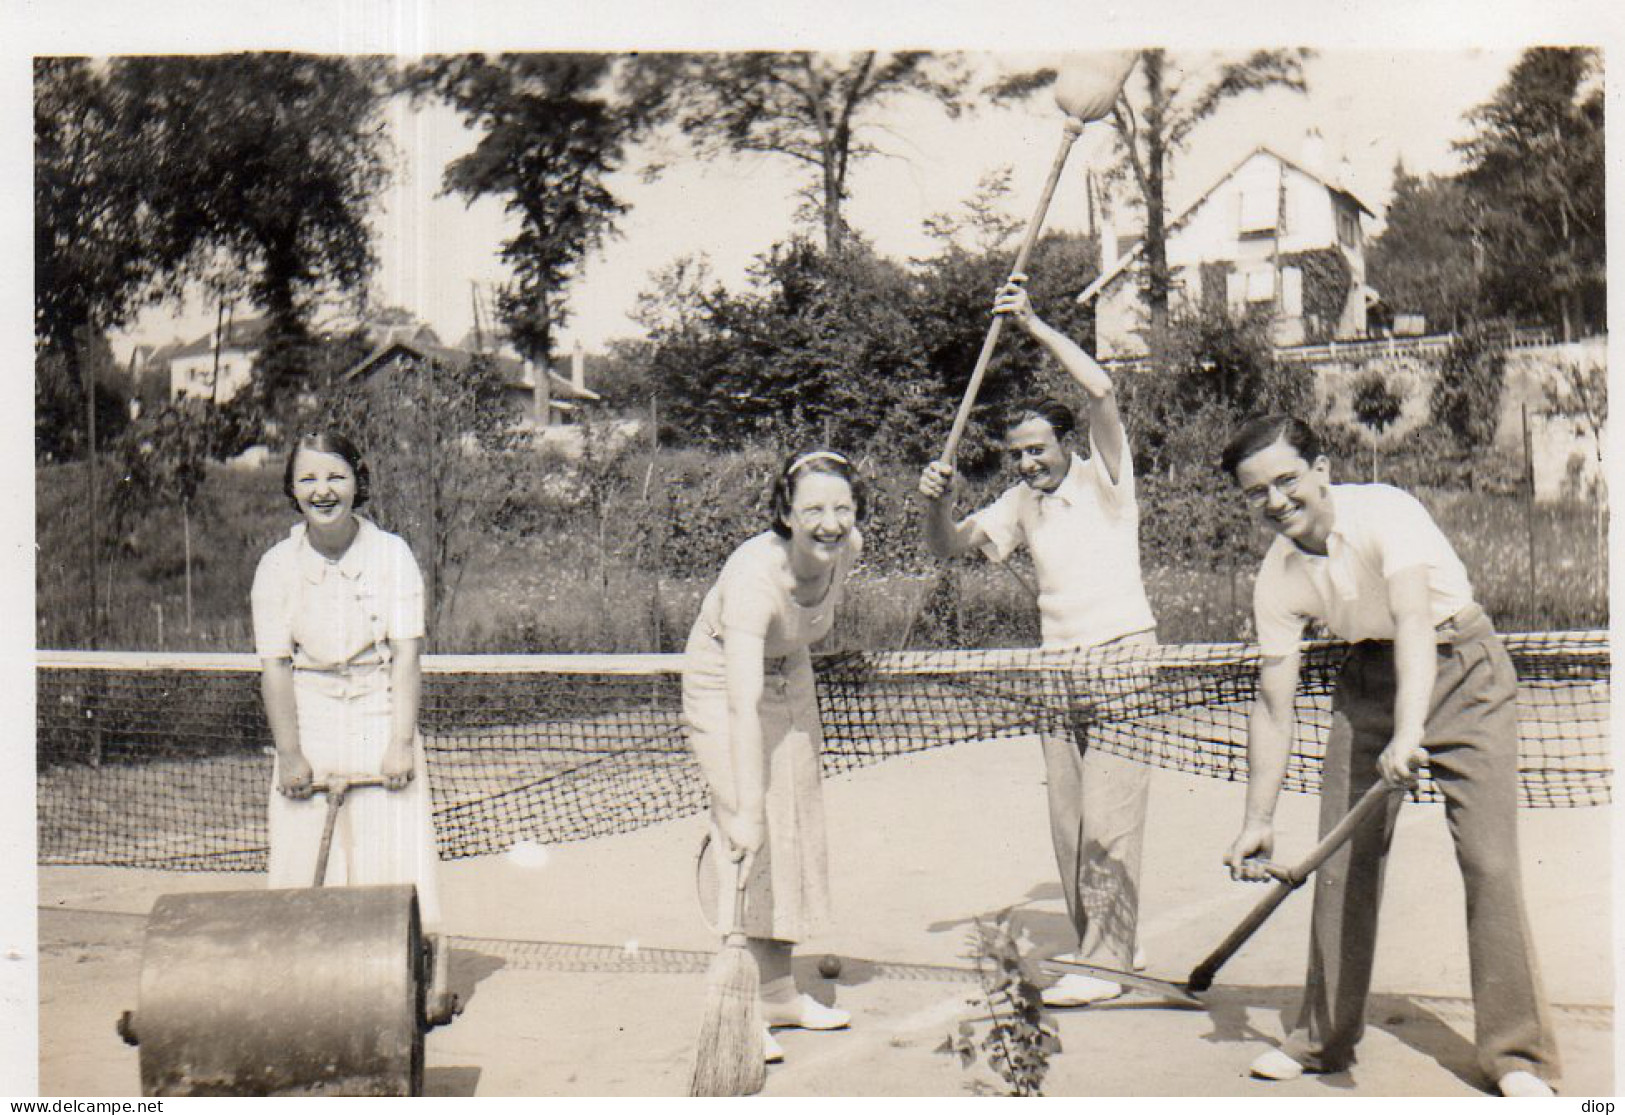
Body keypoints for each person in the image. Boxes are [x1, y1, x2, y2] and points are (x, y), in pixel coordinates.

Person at [1218, 414, 1557, 1098]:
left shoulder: (1387, 513)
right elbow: (1272, 704)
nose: (1277, 501)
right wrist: (1256, 817)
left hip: (1462, 666)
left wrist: (1409, 732)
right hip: (1367, 680)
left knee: (1488, 861)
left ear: (1321, 469)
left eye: (1287, 480)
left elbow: (1410, 619)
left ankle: (1516, 1056)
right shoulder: (1276, 577)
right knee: (1340, 862)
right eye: (1257, 492)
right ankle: (1320, 1040)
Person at [917, 279, 1157, 1007]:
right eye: (1017, 453)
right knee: (1069, 819)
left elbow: (1101, 388)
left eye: (1037, 449)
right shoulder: (1021, 502)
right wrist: (939, 503)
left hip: (1120, 654)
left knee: (1112, 818)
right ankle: (1104, 944)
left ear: (1064, 445)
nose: (1026, 463)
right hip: (1056, 667)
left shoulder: (1105, 479)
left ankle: (1105, 961)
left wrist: (1032, 323)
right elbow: (949, 549)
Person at [683, 449, 865, 1064]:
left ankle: (780, 991)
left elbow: (800, 636)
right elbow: (741, 701)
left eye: (842, 507)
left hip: (792, 672)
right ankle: (740, 1010)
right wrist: (743, 805)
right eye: (813, 509)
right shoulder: (751, 579)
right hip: (722, 683)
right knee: (746, 821)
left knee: (791, 825)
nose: (830, 522)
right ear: (785, 514)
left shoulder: (848, 551)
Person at [251, 430, 442, 933]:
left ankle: (402, 962)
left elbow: (405, 655)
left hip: (378, 713)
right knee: (302, 850)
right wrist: (290, 755)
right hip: (309, 717)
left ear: (358, 482)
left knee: (391, 850)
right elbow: (275, 666)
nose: (323, 490)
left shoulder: (392, 554)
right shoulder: (275, 566)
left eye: (336, 476)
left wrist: (399, 744)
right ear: (291, 489)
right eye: (308, 478)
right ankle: (305, 967)